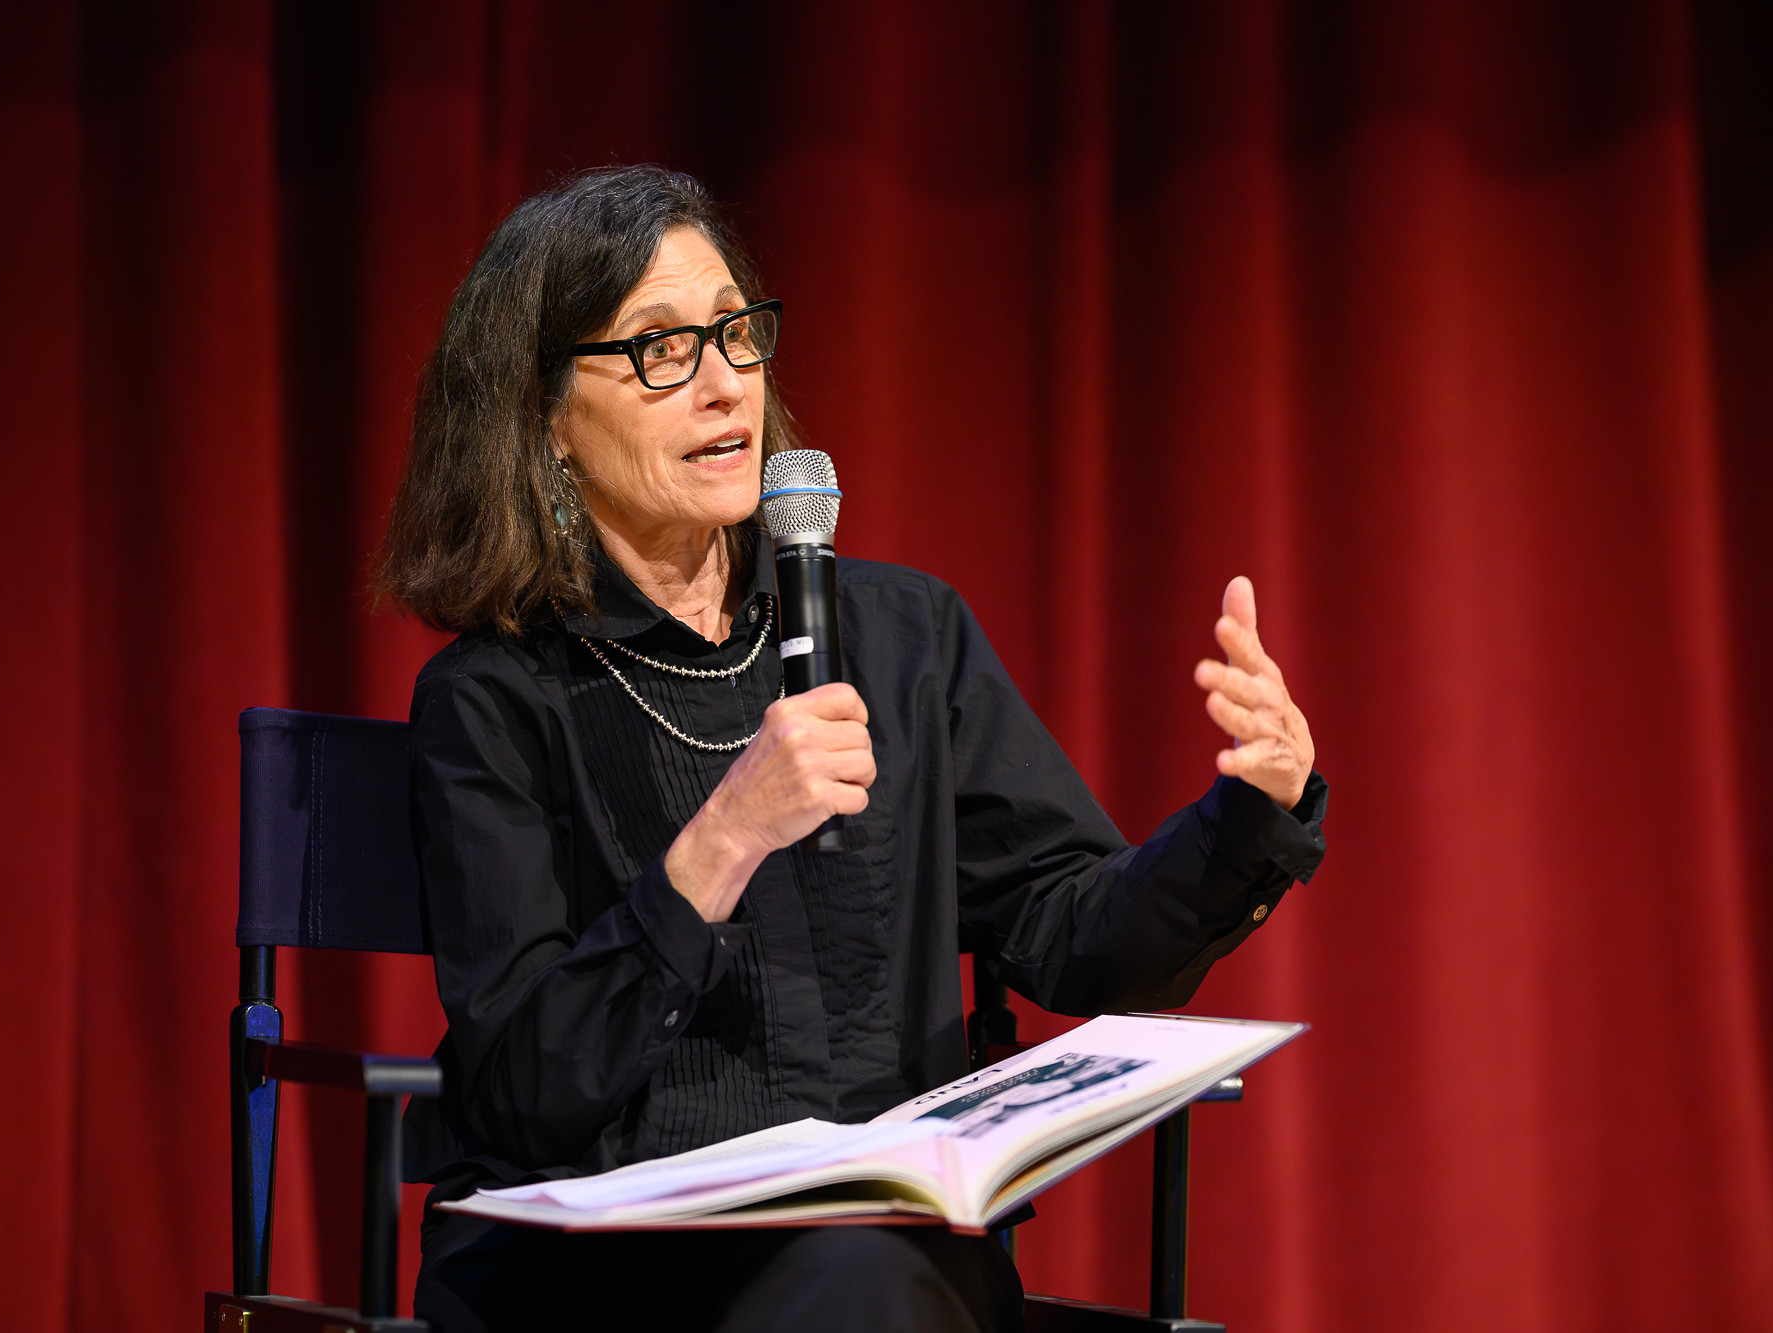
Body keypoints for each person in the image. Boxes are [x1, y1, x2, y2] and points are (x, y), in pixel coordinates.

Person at [377, 165, 1327, 1333]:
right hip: (615, 1273)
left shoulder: (899, 637)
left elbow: (1073, 937)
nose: (723, 383)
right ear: (546, 422)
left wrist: (1246, 816)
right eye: (659, 349)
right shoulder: (495, 701)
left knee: (871, 1279)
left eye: (734, 332)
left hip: (888, 1253)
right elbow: (526, 1085)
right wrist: (722, 839)